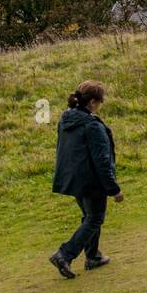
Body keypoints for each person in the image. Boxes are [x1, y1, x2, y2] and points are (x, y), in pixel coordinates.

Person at [48, 80, 124, 279]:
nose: (100, 106)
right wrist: (113, 188)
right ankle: (65, 254)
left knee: (89, 217)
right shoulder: (92, 125)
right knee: (95, 218)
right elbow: (102, 160)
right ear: (92, 102)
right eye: (100, 102)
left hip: (73, 179)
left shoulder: (66, 120)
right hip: (91, 181)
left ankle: (93, 256)